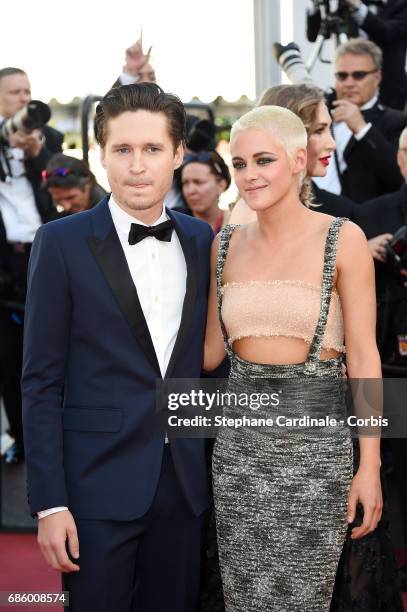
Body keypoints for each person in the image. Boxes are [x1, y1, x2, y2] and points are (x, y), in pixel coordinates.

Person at [22, 83, 213, 612]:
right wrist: (49, 503)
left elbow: (207, 365)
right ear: (100, 156)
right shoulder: (60, 243)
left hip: (184, 488)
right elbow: (40, 380)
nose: (136, 166)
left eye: (152, 149)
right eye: (121, 150)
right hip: (94, 489)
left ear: (177, 154)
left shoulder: (202, 241)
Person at [204, 105, 382, 611]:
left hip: (318, 457)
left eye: (264, 160)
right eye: (238, 164)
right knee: (244, 599)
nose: (250, 175)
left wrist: (368, 466)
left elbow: (365, 357)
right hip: (239, 458)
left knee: (306, 599)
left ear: (299, 158)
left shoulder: (341, 237)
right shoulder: (224, 245)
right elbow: (209, 353)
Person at [0, 67, 63, 465]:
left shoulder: (50, 139)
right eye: (14, 92)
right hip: (6, 262)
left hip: (45, 256)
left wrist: (37, 154)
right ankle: (20, 440)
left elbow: (66, 186)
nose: (24, 99)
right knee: (9, 358)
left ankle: (54, 441)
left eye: (27, 91)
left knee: (51, 354)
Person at [230, 84, 356, 226]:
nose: (332, 144)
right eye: (318, 131)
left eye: (329, 129)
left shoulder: (335, 211)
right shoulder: (252, 214)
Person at [313, 38, 407, 203]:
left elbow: (399, 176)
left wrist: (362, 129)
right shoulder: (320, 114)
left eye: (358, 75)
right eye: (342, 76)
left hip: (366, 223)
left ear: (377, 77)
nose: (349, 83)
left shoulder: (397, 121)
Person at [306, 0, 407, 110]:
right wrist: (315, 5)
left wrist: (357, 5)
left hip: (390, 86)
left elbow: (386, 32)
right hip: (349, 89)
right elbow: (313, 35)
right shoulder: (342, 4)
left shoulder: (401, 4)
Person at [176, 150, 231, 233]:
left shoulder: (237, 223)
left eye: (198, 182)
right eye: (185, 183)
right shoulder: (174, 224)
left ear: (221, 185)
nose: (190, 191)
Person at [42, 154, 107, 215]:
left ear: (88, 183)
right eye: (58, 201)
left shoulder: (110, 215)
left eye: (70, 198)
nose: (66, 207)